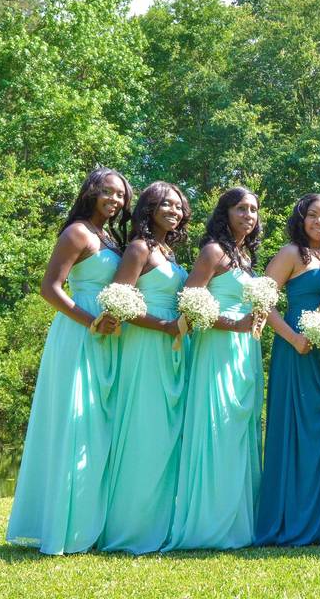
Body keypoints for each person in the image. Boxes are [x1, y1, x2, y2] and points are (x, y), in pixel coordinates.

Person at [7, 167, 131, 555]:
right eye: (108, 193)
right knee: (77, 424)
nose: (115, 201)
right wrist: (91, 321)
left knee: (102, 426)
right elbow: (50, 288)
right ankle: (63, 528)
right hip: (79, 334)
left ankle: (91, 523)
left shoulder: (110, 237)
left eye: (121, 196)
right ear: (91, 192)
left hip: (111, 336)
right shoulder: (77, 232)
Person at [165, 187, 262, 551]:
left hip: (244, 350)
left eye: (253, 210)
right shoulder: (214, 251)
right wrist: (232, 324)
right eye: (241, 209)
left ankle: (239, 522)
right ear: (225, 212)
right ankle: (209, 523)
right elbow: (188, 305)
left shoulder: (244, 256)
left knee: (239, 427)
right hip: (217, 347)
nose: (248, 216)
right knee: (217, 426)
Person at [99, 181, 191, 554]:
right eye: (166, 205)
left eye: (179, 206)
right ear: (149, 207)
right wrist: (163, 325)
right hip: (145, 344)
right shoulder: (138, 248)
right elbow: (119, 303)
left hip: (174, 343)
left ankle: (161, 521)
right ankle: (131, 528)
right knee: (144, 428)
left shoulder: (168, 251)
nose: (174, 211)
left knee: (168, 433)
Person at [255, 194, 320, 546]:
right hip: (296, 349)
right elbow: (263, 300)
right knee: (296, 431)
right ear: (301, 218)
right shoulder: (292, 253)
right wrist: (292, 338)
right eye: (313, 216)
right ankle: (288, 518)